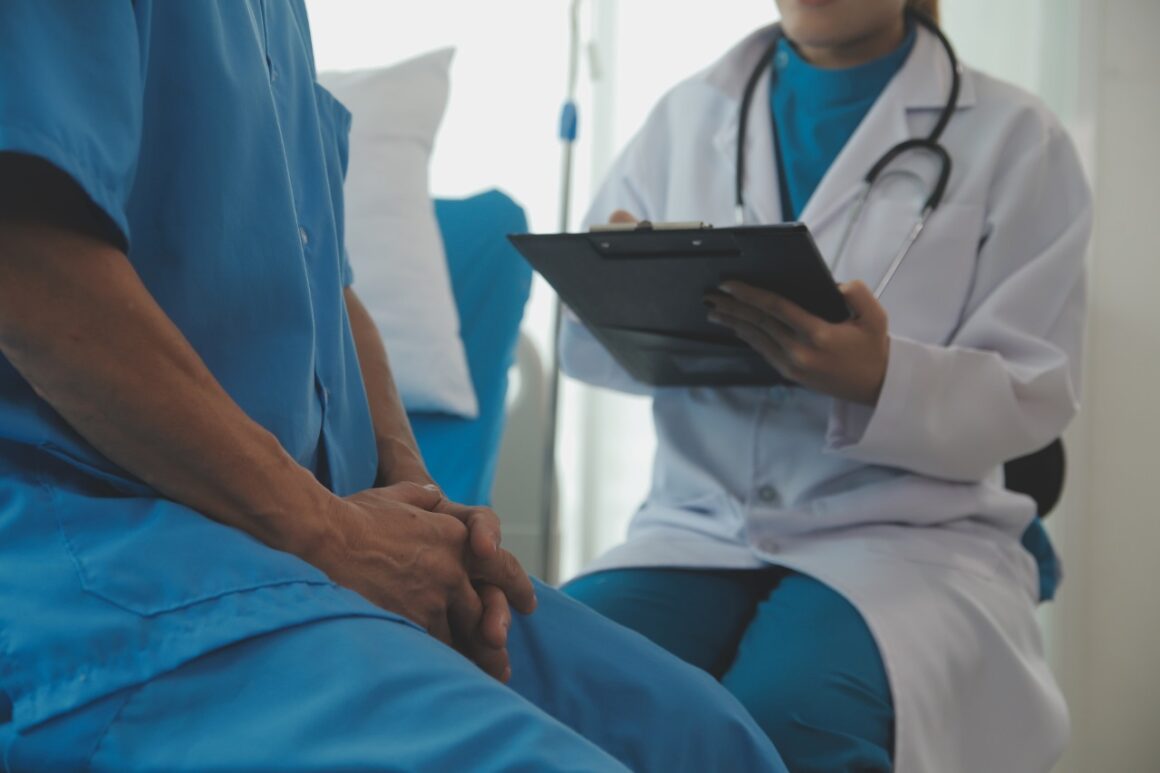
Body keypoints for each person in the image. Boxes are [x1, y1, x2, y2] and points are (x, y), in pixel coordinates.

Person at [0, 3, 787, 771]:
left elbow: (329, 284)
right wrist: (332, 537)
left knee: (712, 740)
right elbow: (28, 267)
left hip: (316, 547)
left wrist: (419, 505)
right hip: (127, 575)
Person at [560, 1, 1090, 771]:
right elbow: (588, 340)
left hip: (903, 537)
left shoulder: (1018, 138)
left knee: (791, 719)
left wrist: (881, 378)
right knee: (548, 678)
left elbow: (1033, 391)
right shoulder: (686, 114)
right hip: (701, 525)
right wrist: (641, 294)